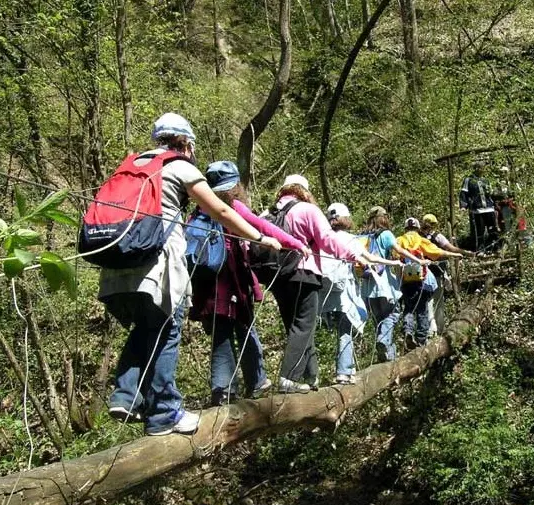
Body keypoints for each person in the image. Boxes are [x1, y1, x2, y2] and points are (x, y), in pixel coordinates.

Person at [99, 113, 281, 436]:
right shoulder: (179, 166)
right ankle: (165, 410)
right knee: (167, 331)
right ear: (187, 143)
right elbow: (222, 211)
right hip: (159, 267)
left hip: (119, 263)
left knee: (146, 328)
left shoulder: (134, 165)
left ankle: (126, 395)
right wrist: (260, 237)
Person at [189, 161, 310, 405]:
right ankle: (252, 382)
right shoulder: (230, 207)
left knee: (220, 334)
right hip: (230, 277)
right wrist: (293, 243)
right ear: (235, 186)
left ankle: (224, 390)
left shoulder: (198, 208)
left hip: (205, 281)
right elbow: (261, 225)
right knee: (244, 327)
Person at [265, 175, 370, 393]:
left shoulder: (268, 213)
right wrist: (353, 255)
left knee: (297, 328)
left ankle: (311, 376)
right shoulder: (307, 210)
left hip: (276, 276)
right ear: (304, 190)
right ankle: (288, 378)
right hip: (304, 272)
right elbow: (327, 239)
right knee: (304, 325)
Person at [320, 203, 401, 384]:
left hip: (323, 292)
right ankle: (344, 371)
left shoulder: (322, 237)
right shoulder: (350, 239)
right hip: (344, 291)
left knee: (338, 330)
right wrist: (393, 263)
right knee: (346, 329)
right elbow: (369, 258)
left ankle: (323, 374)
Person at [359, 206, 428, 363]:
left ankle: (388, 358)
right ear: (384, 218)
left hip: (367, 287)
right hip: (384, 284)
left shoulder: (364, 236)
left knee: (379, 320)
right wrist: (419, 261)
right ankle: (383, 342)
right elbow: (399, 250)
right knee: (393, 314)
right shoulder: (386, 234)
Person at [397, 218, 462, 349]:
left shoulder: (399, 240)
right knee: (422, 310)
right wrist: (454, 254)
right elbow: (437, 252)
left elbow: (393, 255)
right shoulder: (420, 240)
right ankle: (421, 340)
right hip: (421, 280)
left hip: (405, 280)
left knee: (409, 308)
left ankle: (408, 332)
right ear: (417, 228)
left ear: (405, 228)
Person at [419, 214, 473, 336]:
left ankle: (428, 332)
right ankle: (439, 329)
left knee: (427, 302)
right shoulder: (437, 236)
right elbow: (451, 248)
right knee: (438, 302)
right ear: (435, 224)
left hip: (421, 274)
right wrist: (466, 253)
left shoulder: (417, 237)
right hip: (436, 272)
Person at [459, 167, 499, 252]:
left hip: (489, 208)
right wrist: (463, 206)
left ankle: (494, 248)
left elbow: (491, 194)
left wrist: (495, 204)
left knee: (492, 229)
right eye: (480, 168)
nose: (481, 170)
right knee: (479, 231)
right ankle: (480, 250)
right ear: (475, 169)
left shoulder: (486, 180)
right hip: (477, 210)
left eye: (483, 168)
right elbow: (464, 193)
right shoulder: (468, 180)